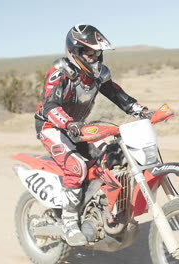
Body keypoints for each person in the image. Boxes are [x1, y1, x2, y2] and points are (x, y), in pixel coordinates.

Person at [34, 24, 148, 246]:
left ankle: (104, 210)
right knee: (76, 167)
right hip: (51, 127)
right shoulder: (60, 72)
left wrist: (140, 110)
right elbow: (50, 106)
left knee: (112, 157)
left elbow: (116, 94)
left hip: (77, 127)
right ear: (75, 52)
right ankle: (69, 223)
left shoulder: (98, 74)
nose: (94, 57)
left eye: (97, 52)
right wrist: (68, 124)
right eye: (89, 52)